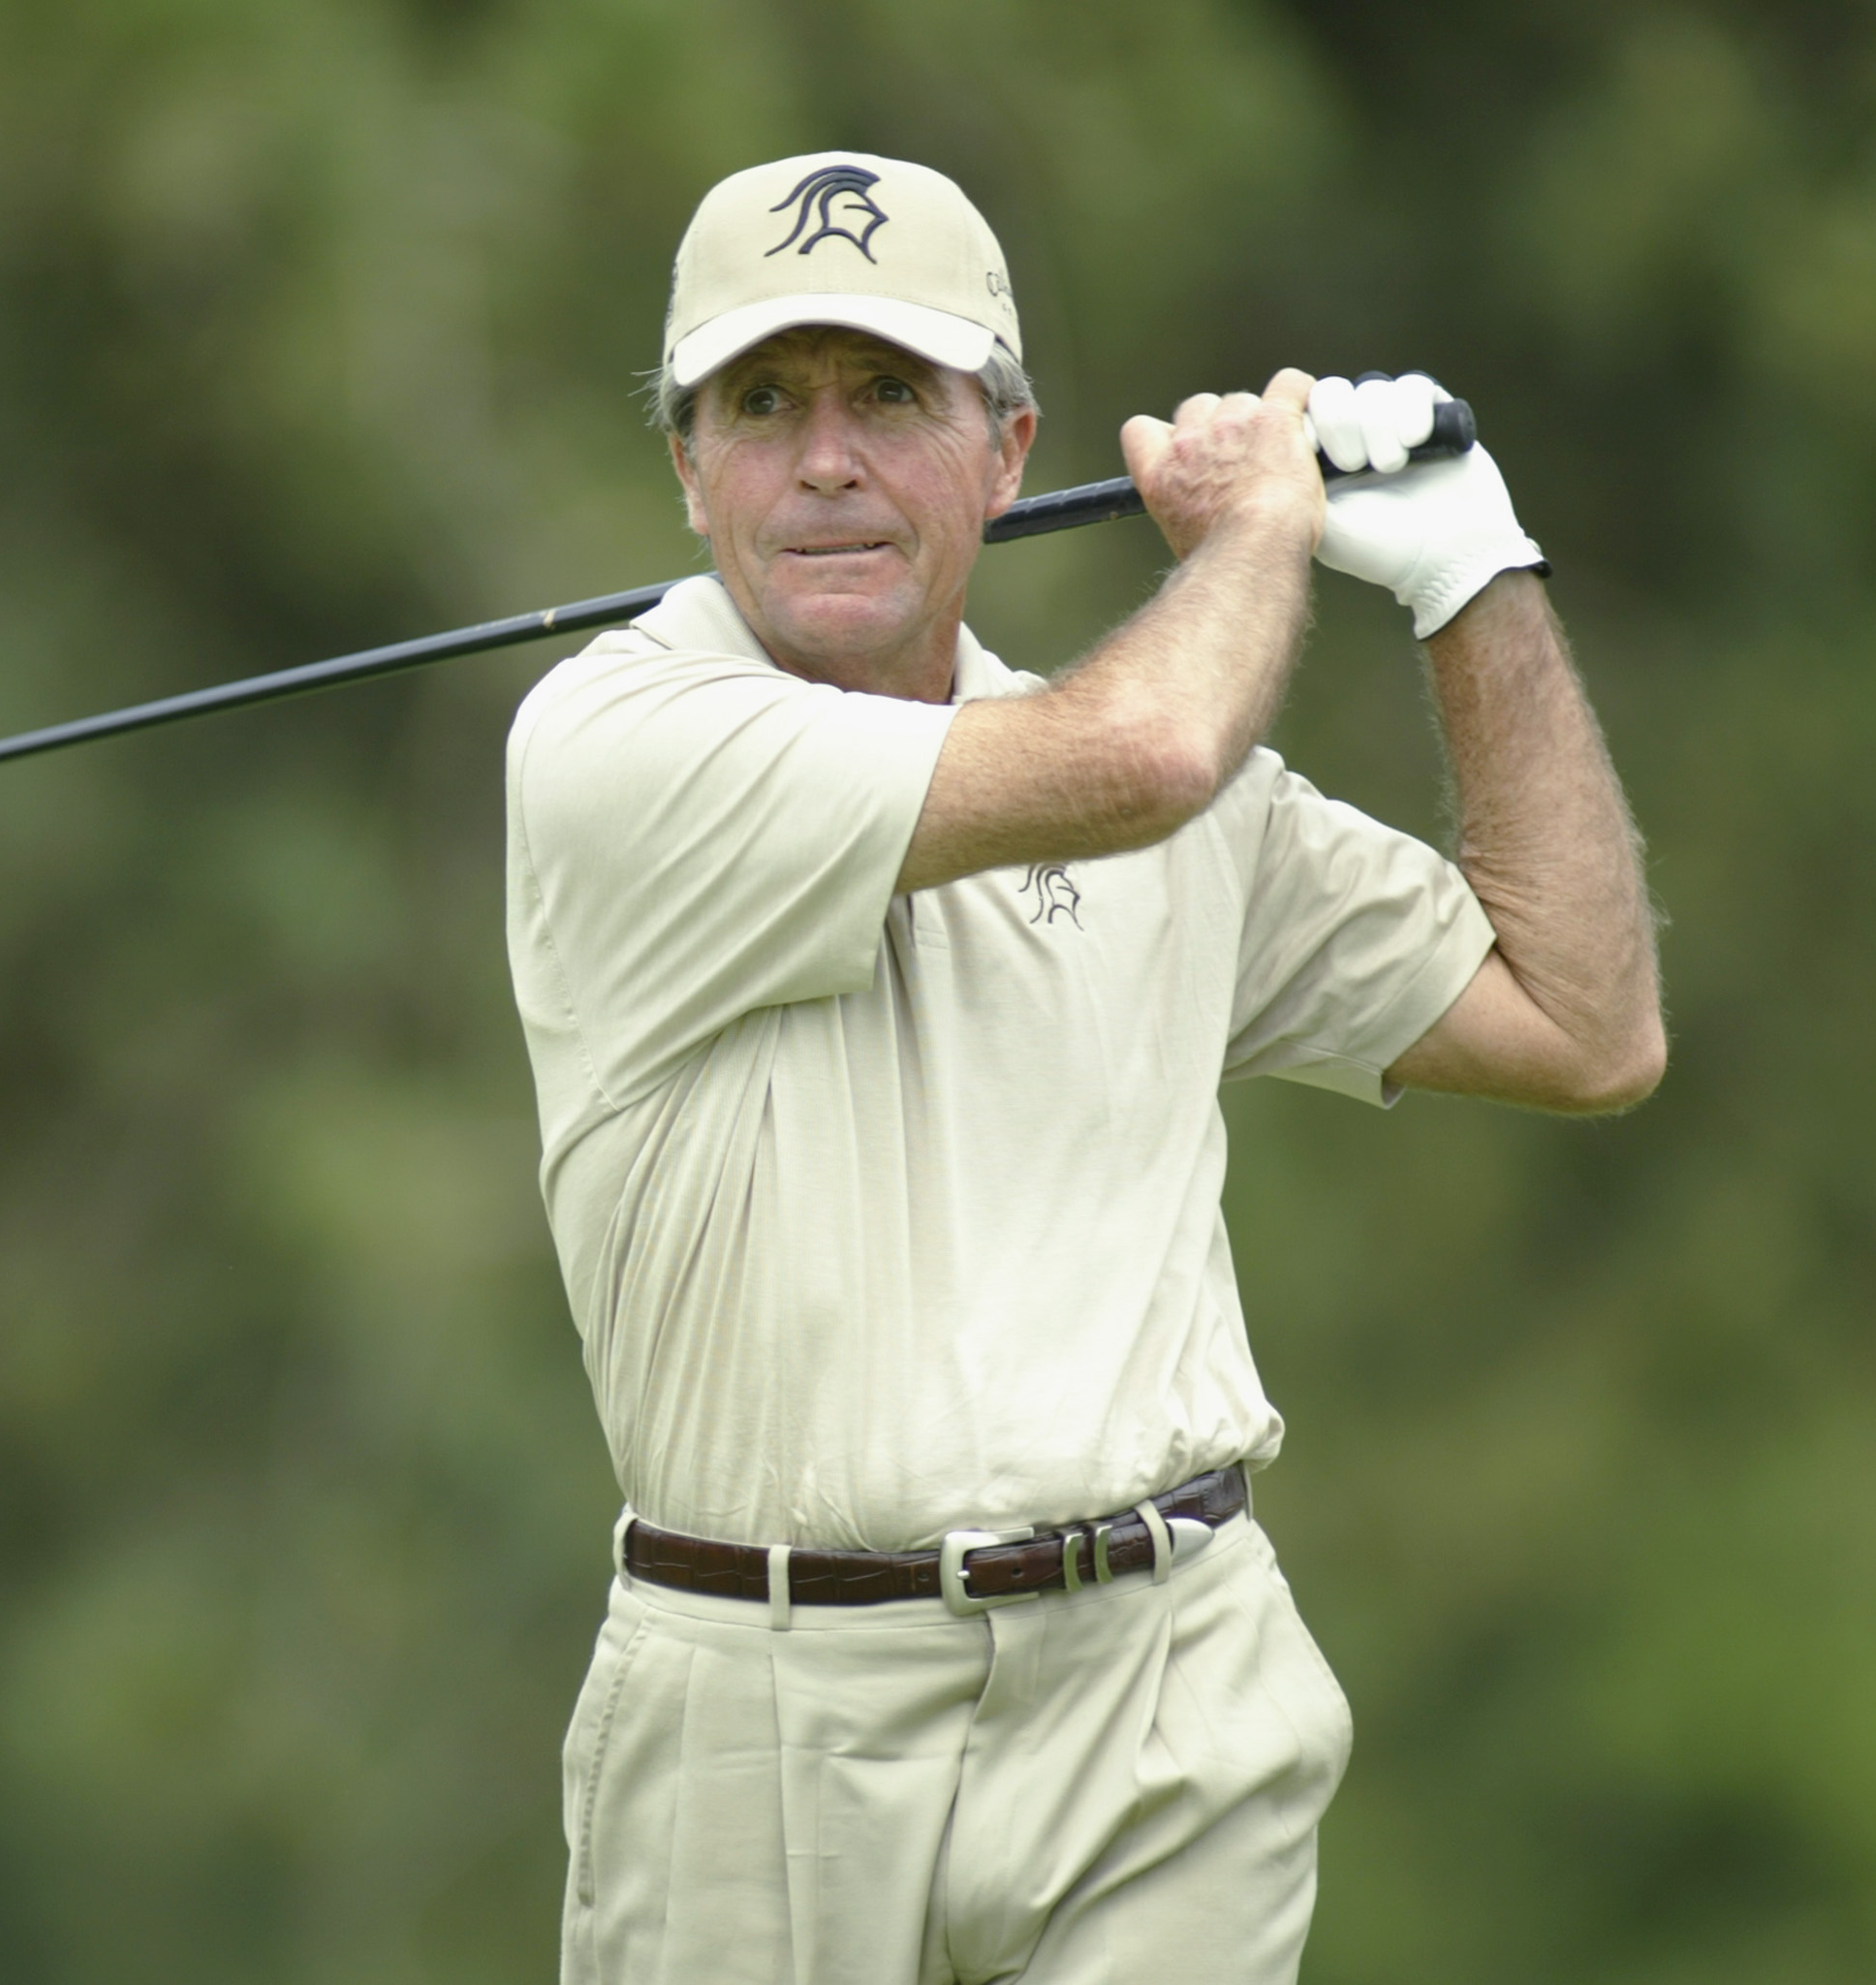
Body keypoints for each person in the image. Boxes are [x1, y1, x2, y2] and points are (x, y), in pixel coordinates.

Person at [503, 151, 1663, 1984]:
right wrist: (1267, 525)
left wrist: (1469, 576)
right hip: (760, 1726)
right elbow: (1146, 752)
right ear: (687, 465)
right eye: (761, 405)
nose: (825, 461)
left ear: (1010, 447)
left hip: (1161, 1701)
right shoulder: (615, 744)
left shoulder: (1187, 801)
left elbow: (1586, 1021)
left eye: (890, 396)